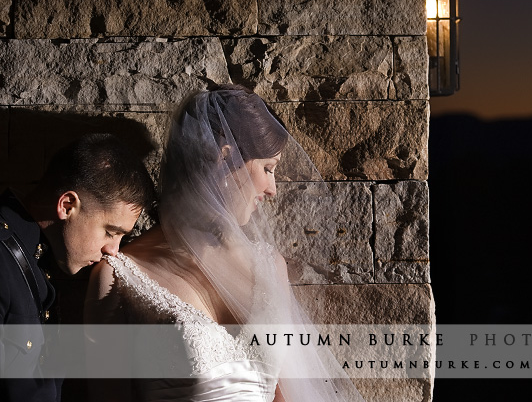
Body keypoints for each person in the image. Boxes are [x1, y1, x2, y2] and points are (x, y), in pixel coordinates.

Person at [86, 85, 364, 402]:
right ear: (225, 157)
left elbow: (284, 394)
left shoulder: (271, 267)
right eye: (268, 169)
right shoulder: (118, 277)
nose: (273, 189)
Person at [0, 133, 155, 402]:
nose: (113, 251)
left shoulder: (36, 259)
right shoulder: (3, 262)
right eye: (110, 232)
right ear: (67, 205)